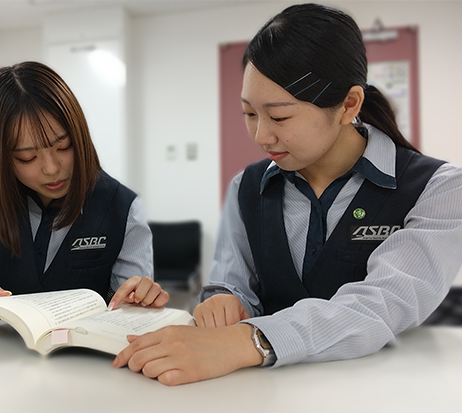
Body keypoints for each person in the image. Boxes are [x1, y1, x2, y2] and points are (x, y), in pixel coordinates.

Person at [113, 3, 462, 385]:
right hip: (266, 393)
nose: (262, 135)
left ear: (349, 105)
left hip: (383, 391)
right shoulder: (247, 187)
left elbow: (382, 304)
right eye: (249, 113)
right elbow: (230, 283)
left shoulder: (438, 188)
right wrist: (224, 303)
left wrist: (251, 341)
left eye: (280, 117)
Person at [0, 61, 167, 328]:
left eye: (64, 146)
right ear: (0, 157)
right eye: (27, 157)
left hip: (86, 363)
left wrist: (138, 303)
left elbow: (130, 311)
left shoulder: (122, 207)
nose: (52, 169)